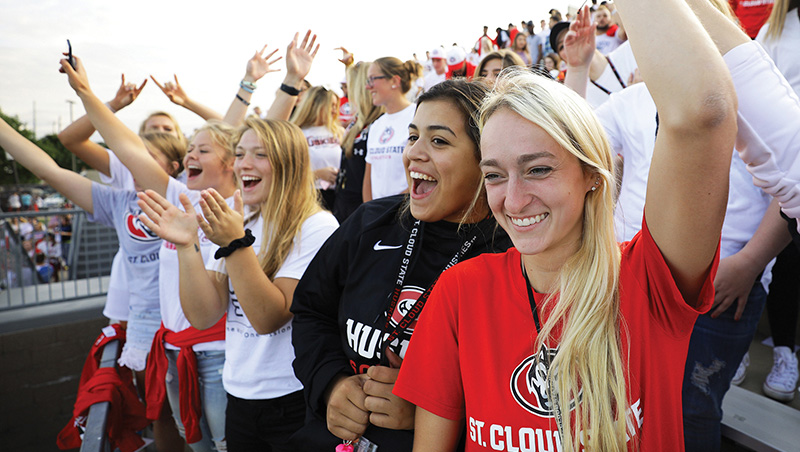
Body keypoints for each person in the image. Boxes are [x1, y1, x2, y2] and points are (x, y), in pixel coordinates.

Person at [394, 0, 739, 449]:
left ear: (592, 173)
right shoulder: (461, 292)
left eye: (538, 169)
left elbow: (705, 110)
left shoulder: (648, 281)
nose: (513, 200)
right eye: (495, 174)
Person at [290, 79, 513, 451]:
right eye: (413, 137)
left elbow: (521, 396)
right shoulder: (370, 222)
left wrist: (434, 413)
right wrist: (331, 383)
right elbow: (311, 311)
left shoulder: (510, 256)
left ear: (484, 160)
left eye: (438, 141)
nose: (413, 154)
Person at [138, 117, 338, 451]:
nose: (244, 163)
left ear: (289, 163)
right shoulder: (243, 221)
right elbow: (204, 315)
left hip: (293, 395)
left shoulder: (317, 226)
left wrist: (234, 244)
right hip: (239, 392)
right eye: (241, 153)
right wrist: (188, 246)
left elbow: (267, 318)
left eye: (259, 154)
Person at [333, 61, 385, 223]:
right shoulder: (356, 121)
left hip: (364, 209)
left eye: (351, 85)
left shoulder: (381, 122)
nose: (347, 91)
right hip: (343, 204)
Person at [362, 57, 417, 202]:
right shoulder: (376, 126)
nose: (368, 87)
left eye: (372, 79)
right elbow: (369, 178)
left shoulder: (417, 115)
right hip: (379, 216)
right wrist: (369, 211)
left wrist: (392, 208)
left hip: (407, 211)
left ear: (394, 81)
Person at [291, 85, 345, 211]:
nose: (334, 110)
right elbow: (289, 173)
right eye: (330, 105)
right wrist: (317, 174)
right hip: (308, 196)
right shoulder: (297, 133)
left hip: (339, 198)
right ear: (316, 105)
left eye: (335, 105)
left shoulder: (339, 132)